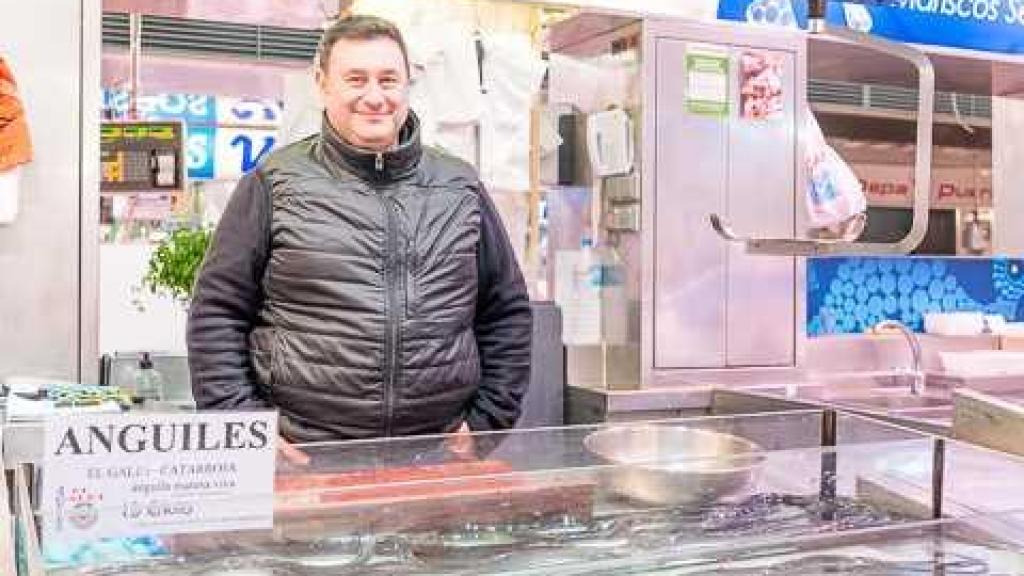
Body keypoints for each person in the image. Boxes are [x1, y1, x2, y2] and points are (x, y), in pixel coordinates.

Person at [186, 15, 533, 452]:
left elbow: (507, 311)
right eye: (356, 79)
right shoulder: (274, 182)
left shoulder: (459, 186)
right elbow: (217, 312)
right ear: (323, 83)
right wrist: (245, 428)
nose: (375, 97)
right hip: (302, 455)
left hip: (436, 457)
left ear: (408, 84)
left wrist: (484, 424)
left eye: (388, 79)